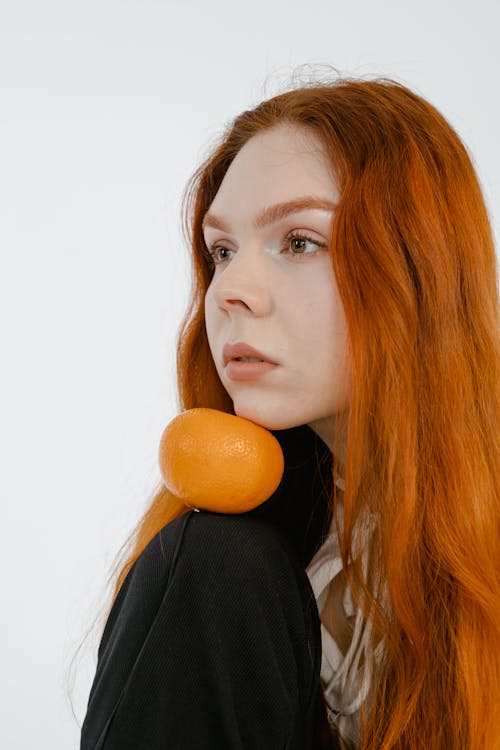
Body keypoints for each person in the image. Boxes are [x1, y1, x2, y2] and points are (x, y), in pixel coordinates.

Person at [79, 75, 500, 749]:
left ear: (419, 271)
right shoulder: (233, 563)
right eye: (221, 251)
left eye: (299, 241)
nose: (230, 293)